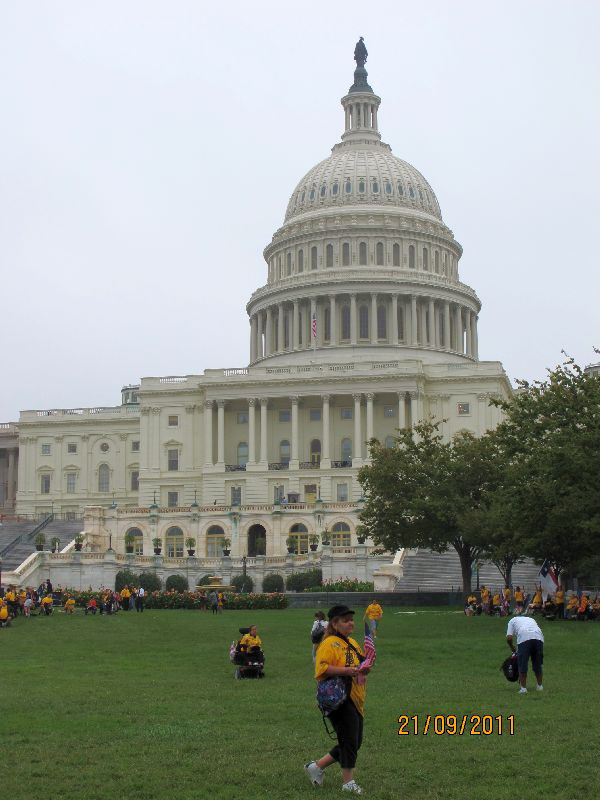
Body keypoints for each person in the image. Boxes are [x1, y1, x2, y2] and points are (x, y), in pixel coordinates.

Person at [305, 604, 370, 795]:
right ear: (334, 624)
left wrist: (364, 669)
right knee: (349, 740)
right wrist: (346, 671)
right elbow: (322, 668)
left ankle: (316, 766)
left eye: (351, 620)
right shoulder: (329, 643)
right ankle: (348, 783)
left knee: (355, 741)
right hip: (338, 698)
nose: (351, 623)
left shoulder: (352, 643)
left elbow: (360, 664)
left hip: (355, 697)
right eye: (345, 620)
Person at [506, 614, 544, 693]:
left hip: (524, 637)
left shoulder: (512, 621)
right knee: (537, 662)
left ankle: (523, 689)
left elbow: (509, 638)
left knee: (522, 663)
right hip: (539, 637)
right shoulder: (531, 619)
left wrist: (512, 648)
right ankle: (540, 686)